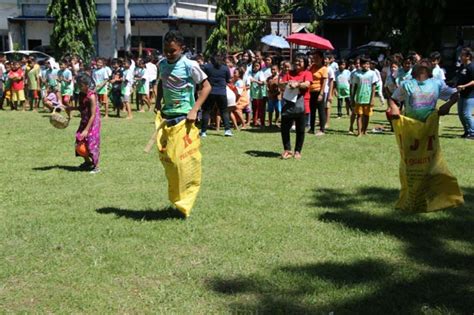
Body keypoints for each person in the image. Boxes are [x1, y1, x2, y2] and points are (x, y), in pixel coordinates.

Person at [390, 59, 458, 122]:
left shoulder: (437, 84)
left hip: (430, 126)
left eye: (425, 69)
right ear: (415, 70)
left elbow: (455, 94)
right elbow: (393, 99)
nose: (423, 71)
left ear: (430, 71)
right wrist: (394, 108)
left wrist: (447, 105)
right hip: (410, 124)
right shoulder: (407, 84)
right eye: (421, 68)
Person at [66, 74, 101, 174]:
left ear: (86, 85)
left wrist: (86, 130)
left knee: (91, 142)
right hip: (85, 119)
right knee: (79, 139)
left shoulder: (92, 96)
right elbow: (82, 108)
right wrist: (71, 108)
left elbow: (93, 114)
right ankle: (87, 162)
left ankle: (96, 166)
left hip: (93, 121)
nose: (78, 87)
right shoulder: (81, 94)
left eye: (80, 85)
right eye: (77, 85)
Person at [279, 54, 312, 160]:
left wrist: (297, 84)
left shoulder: (307, 73)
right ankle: (287, 150)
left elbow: (307, 84)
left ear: (305, 63)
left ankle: (298, 151)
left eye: (300, 61)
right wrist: (285, 84)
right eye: (296, 61)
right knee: (284, 128)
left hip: (302, 105)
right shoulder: (289, 73)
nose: (297, 63)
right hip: (288, 104)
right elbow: (281, 85)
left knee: (300, 129)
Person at [200, 55, 232, 137]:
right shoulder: (225, 68)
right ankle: (227, 130)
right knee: (224, 111)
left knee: (206, 111)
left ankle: (203, 131)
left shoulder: (207, 67)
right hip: (221, 92)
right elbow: (228, 79)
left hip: (210, 92)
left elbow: (202, 77)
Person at [351, 57, 377, 136]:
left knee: (366, 115)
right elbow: (355, 86)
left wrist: (372, 99)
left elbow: (373, 87)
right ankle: (359, 132)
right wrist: (352, 98)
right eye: (364, 64)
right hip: (359, 98)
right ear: (361, 64)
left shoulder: (372, 73)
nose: (366, 65)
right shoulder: (357, 74)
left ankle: (364, 130)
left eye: (367, 64)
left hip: (368, 98)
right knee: (359, 115)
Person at [456, 48, 474, 139]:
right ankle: (467, 131)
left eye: (462, 55)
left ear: (468, 56)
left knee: (466, 114)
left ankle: (473, 132)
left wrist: (465, 86)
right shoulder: (462, 67)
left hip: (470, 94)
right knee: (460, 114)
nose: (460, 56)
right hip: (461, 94)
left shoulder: (472, 67)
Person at [309, 51, 328, 135]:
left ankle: (322, 129)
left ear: (321, 59)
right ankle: (312, 129)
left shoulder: (324, 69)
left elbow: (324, 83)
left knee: (321, 111)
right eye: (314, 57)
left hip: (318, 91)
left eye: (317, 57)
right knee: (312, 111)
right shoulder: (312, 66)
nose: (315, 59)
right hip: (311, 91)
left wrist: (321, 93)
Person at [247, 60, 266, 127]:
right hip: (253, 94)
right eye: (255, 66)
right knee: (254, 108)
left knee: (260, 108)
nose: (256, 67)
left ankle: (261, 122)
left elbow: (263, 82)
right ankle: (255, 121)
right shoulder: (251, 73)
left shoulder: (260, 73)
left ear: (260, 66)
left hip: (259, 94)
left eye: (257, 65)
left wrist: (254, 80)